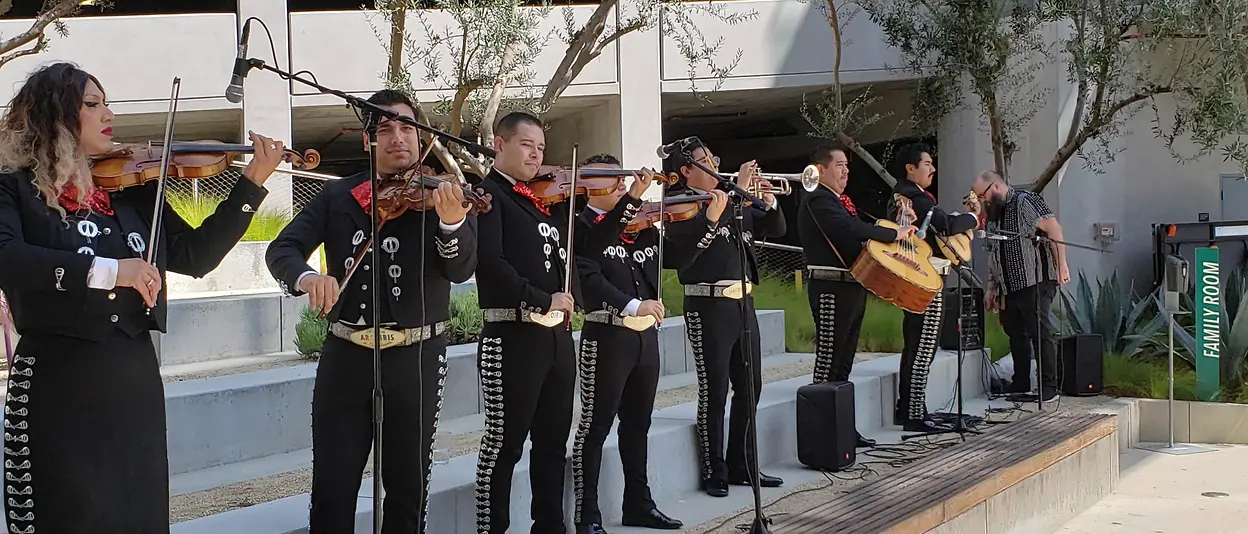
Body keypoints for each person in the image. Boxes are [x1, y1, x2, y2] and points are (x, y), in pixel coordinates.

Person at [0, 62, 284, 533]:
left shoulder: (134, 193)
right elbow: (7, 257)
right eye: (92, 104)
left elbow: (195, 255)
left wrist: (250, 184)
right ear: (54, 115)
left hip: (132, 384)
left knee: (138, 515)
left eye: (106, 102)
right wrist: (111, 270)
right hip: (57, 384)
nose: (108, 112)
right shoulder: (13, 189)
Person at [265, 89, 477, 533]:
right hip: (346, 355)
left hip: (416, 357)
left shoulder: (445, 196)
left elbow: (460, 269)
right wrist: (308, 278)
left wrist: (452, 222)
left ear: (421, 139)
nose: (398, 137)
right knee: (333, 486)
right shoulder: (338, 196)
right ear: (368, 142)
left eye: (407, 128)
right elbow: (282, 249)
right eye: (385, 130)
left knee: (408, 485)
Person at [472, 111, 619, 533]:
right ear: (499, 144)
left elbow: (581, 252)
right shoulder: (488, 196)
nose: (536, 155)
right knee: (504, 445)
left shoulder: (542, 202)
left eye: (540, 148)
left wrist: (623, 203)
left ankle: (549, 527)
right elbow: (491, 264)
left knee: (553, 444)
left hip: (555, 337)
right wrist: (543, 298)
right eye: (526, 145)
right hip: (513, 333)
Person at [662, 141, 786, 498]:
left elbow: (775, 228)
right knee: (714, 390)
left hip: (742, 304)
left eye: (715, 158)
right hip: (707, 304)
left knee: (751, 386)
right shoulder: (682, 206)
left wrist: (767, 197)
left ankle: (743, 464)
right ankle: (713, 469)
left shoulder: (732, 199)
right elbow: (683, 255)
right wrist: (728, 202)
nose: (715, 166)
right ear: (685, 171)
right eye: (705, 162)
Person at [570, 154, 682, 534]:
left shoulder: (642, 226)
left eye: (621, 180)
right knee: (595, 426)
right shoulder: (580, 227)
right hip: (607, 334)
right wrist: (634, 304)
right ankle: (587, 514)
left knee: (638, 425)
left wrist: (710, 221)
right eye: (612, 181)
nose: (621, 184)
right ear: (589, 187)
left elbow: (678, 260)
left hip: (644, 337)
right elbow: (590, 277)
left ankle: (639, 503)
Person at [796, 145, 916, 448]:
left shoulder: (837, 200)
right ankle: (823, 437)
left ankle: (841, 430)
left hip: (850, 285)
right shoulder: (818, 199)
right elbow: (849, 228)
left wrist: (898, 224)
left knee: (844, 363)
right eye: (839, 165)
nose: (846, 171)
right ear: (820, 170)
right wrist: (893, 235)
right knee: (828, 362)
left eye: (847, 165)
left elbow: (862, 225)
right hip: (830, 288)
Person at [887, 143, 980, 432]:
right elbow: (946, 224)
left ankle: (910, 409)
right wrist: (975, 218)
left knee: (917, 344)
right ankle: (914, 414)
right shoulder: (913, 196)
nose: (932, 168)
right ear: (910, 168)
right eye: (927, 164)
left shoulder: (909, 194)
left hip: (918, 278)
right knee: (923, 346)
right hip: (924, 280)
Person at [973, 170, 1069, 402]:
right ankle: (1021, 382)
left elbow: (1053, 229)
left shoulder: (1026, 201)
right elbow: (993, 253)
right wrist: (991, 286)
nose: (983, 201)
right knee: (1016, 334)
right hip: (1009, 285)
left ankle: (1048, 387)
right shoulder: (994, 214)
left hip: (1035, 279)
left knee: (1039, 332)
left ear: (995, 187)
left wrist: (1062, 265)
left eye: (983, 195)